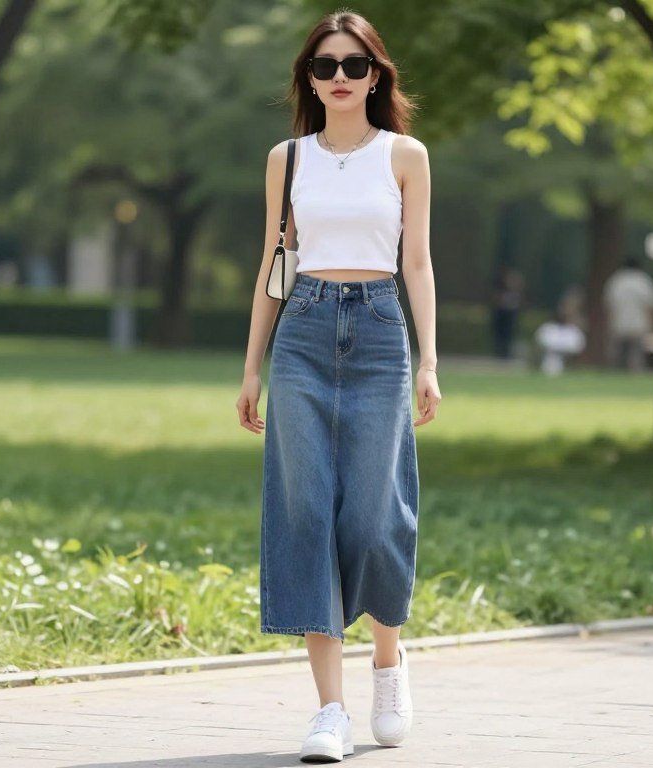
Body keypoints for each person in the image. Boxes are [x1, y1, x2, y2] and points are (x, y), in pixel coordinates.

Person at [236, 10, 440, 763]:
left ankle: (387, 660)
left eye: (356, 65)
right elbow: (275, 265)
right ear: (309, 80)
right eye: (326, 67)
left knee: (376, 515)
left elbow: (416, 263)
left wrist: (429, 359)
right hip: (305, 336)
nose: (342, 78)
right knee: (307, 511)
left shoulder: (404, 155)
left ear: (377, 74)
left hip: (383, 332)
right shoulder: (287, 159)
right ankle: (330, 710)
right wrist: (253, 363)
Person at [602, 256, 653, 372]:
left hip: (618, 324)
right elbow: (650, 306)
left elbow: (608, 305)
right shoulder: (644, 281)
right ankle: (635, 376)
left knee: (615, 357)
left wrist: (608, 325)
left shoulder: (616, 281)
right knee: (636, 359)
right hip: (639, 325)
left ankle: (613, 376)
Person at [535, 309, 586, 376]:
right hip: (550, 355)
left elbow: (578, 346)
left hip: (568, 358)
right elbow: (540, 342)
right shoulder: (549, 328)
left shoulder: (573, 330)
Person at [491, 265, 524, 359]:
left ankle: (507, 352)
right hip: (502, 314)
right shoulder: (500, 291)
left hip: (511, 315)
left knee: (509, 335)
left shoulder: (515, 293)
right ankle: (499, 352)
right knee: (500, 334)